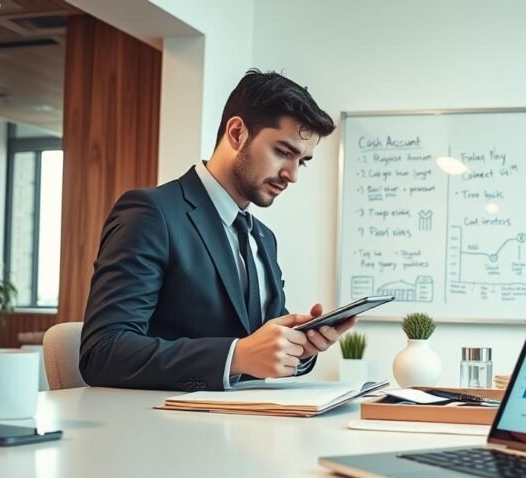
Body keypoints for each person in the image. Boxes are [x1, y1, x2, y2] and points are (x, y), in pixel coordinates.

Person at [79, 69, 354, 391]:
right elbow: (103, 352)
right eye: (283, 152)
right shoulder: (152, 213)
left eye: (302, 161)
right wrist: (235, 356)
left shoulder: (264, 238)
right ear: (237, 133)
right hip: (165, 419)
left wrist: (299, 349)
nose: (292, 175)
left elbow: (261, 349)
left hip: (246, 417)